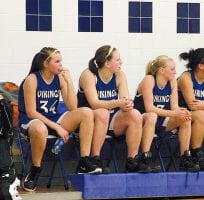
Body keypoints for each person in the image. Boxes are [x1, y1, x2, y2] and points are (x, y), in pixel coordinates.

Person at [18, 47, 101, 192]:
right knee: (40, 128)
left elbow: (73, 106)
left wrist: (69, 82)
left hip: (53, 117)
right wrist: (56, 127)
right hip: (32, 121)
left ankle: (84, 161)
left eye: (61, 61)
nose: (61, 64)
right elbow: (31, 112)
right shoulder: (32, 79)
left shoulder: (59, 78)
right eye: (57, 61)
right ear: (46, 63)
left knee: (86, 112)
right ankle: (35, 170)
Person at [77, 45, 156, 173]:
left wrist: (127, 103)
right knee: (102, 112)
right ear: (107, 63)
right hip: (90, 121)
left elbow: (124, 99)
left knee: (135, 114)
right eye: (118, 60)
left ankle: (132, 160)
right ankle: (95, 158)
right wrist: (118, 102)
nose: (121, 62)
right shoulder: (89, 74)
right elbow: (94, 103)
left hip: (110, 120)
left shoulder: (119, 75)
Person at [133, 55, 200, 172]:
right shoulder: (149, 79)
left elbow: (174, 106)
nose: (175, 72)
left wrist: (180, 111)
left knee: (186, 117)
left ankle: (185, 158)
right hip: (142, 120)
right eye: (172, 69)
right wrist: (174, 113)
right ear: (162, 70)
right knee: (152, 116)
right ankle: (145, 157)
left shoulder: (173, 82)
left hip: (161, 120)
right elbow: (149, 108)